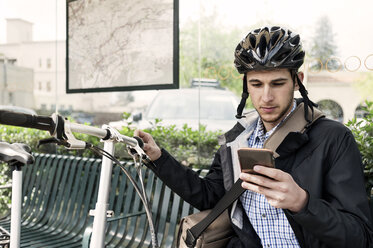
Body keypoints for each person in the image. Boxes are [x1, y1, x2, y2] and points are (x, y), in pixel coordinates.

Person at [135, 26, 373, 247]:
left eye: (277, 83)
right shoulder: (238, 138)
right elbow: (211, 197)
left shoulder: (333, 138)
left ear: (297, 82)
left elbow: (359, 236)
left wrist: (302, 203)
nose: (266, 97)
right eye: (256, 84)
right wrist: (159, 159)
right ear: (246, 85)